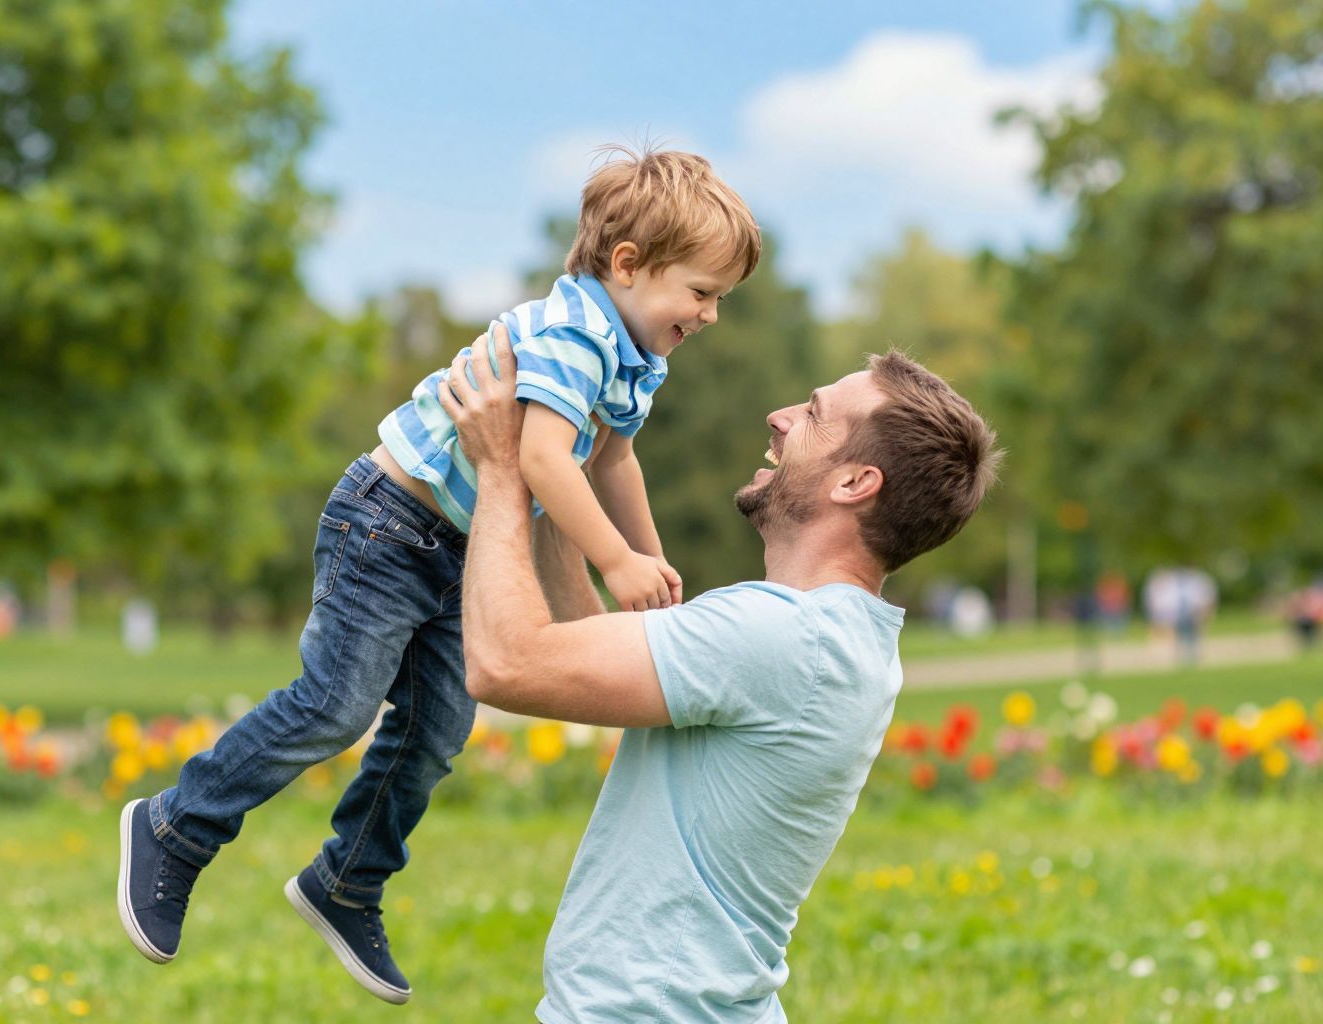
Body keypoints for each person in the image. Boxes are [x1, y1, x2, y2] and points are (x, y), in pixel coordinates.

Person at [116, 146, 761, 1003]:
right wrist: (613, 562)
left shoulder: (635, 351)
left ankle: (348, 881)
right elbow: (542, 459)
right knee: (337, 702)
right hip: (387, 524)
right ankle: (177, 826)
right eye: (702, 292)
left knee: (436, 731)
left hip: (457, 548)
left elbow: (613, 461)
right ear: (629, 265)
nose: (711, 315)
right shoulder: (573, 335)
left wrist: (648, 560)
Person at [438, 326, 999, 1023]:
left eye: (814, 415)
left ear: (855, 482)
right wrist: (551, 470)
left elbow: (505, 663)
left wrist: (496, 468)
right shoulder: (829, 638)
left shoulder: (780, 637)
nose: (780, 416)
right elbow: (578, 656)